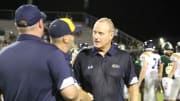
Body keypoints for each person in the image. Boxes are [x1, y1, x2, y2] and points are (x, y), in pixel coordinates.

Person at [0, 4, 89, 101]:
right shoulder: (52, 53)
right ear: (40, 24)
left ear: (16, 25)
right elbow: (70, 94)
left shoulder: (2, 54)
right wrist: (83, 96)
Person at [73, 17, 139, 101]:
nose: (96, 37)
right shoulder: (82, 56)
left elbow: (132, 84)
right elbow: (74, 85)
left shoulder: (124, 57)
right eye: (94, 32)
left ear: (111, 35)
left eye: (100, 33)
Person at [48, 17, 93, 100]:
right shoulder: (58, 58)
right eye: (72, 34)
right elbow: (70, 94)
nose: (74, 38)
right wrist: (87, 97)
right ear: (66, 39)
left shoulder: (46, 54)